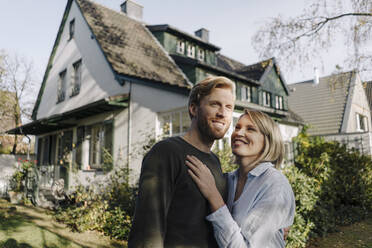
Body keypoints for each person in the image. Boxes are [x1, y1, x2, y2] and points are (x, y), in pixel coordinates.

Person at [128, 76, 236, 248]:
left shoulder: (215, 161)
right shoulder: (166, 153)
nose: (222, 113)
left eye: (228, 107)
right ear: (193, 109)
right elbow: (147, 233)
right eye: (215, 104)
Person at [186, 109, 295, 247]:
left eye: (250, 129)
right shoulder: (228, 180)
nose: (239, 133)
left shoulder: (275, 185)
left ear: (267, 140)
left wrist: (213, 195)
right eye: (237, 127)